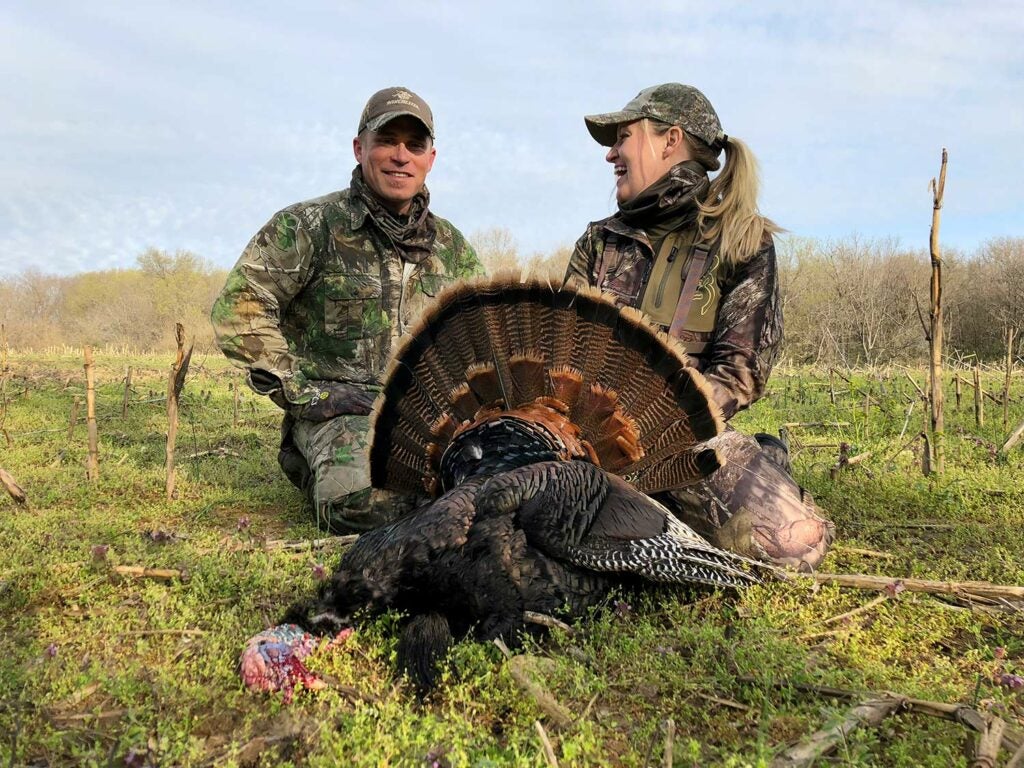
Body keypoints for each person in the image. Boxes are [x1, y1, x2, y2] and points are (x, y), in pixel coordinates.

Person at [565, 83, 832, 570]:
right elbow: (563, 357)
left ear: (669, 140)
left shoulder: (743, 240)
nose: (610, 154)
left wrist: (653, 432)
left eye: (622, 137)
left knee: (794, 545)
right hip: (586, 441)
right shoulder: (599, 241)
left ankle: (758, 466)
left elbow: (738, 373)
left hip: (687, 442)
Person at [212, 86, 483, 533]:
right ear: (360, 149)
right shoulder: (307, 226)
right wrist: (306, 394)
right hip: (342, 417)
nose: (401, 155)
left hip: (429, 419)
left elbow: (480, 337)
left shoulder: (451, 249)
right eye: (386, 140)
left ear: (430, 159)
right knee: (358, 504)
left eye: (414, 145)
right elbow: (239, 308)